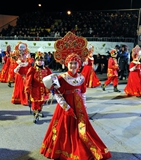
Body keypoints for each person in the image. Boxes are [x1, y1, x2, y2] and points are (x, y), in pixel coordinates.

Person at [40, 31, 112, 160]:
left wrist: (84, 108)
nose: (73, 65)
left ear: (79, 64)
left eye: (75, 63)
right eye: (71, 63)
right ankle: (64, 150)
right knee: (65, 129)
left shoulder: (82, 78)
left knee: (82, 130)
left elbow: (83, 94)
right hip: (65, 108)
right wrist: (66, 108)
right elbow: (57, 94)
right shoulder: (61, 78)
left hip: (79, 108)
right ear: (66, 64)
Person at [25, 48, 52, 123]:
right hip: (35, 89)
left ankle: (40, 111)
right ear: (35, 61)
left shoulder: (47, 70)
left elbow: (51, 78)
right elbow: (28, 80)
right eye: (38, 60)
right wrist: (27, 88)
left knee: (42, 102)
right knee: (35, 102)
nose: (40, 62)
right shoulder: (32, 70)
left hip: (44, 89)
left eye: (41, 61)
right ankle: (36, 115)